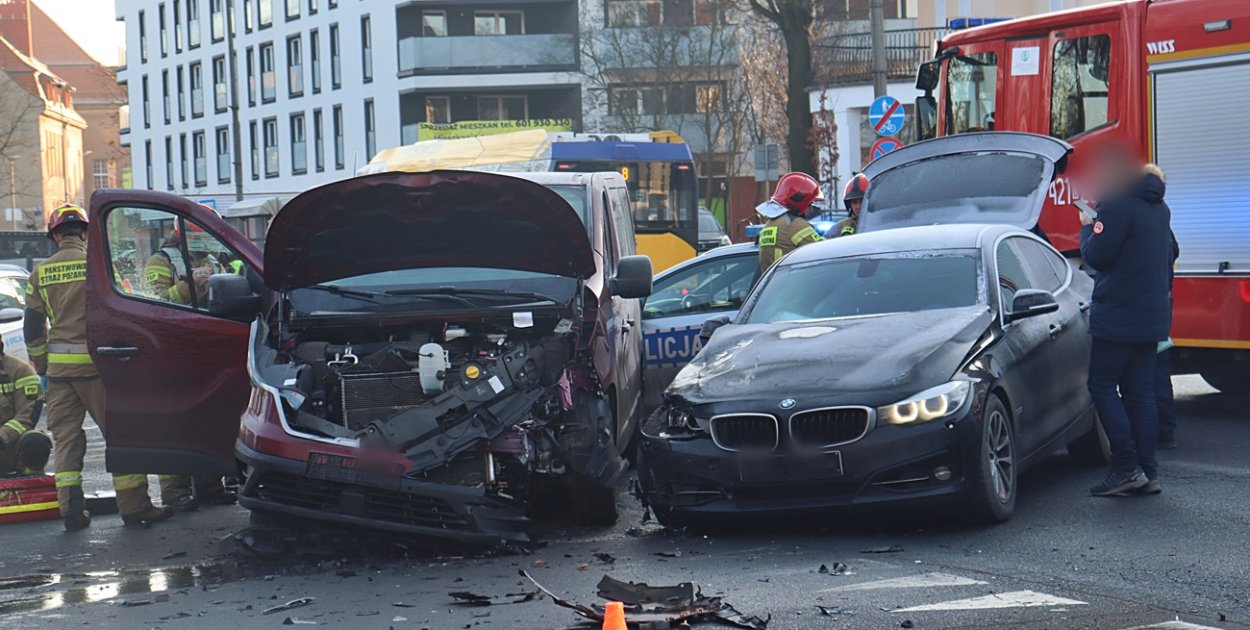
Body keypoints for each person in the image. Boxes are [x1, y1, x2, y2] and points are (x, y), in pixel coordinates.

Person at [25, 204, 174, 529]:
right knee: (120, 435)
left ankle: (71, 512)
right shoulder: (99, 266)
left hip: (60, 375)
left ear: (54, 236)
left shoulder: (41, 272)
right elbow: (125, 309)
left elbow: (33, 327)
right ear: (85, 232)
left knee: (66, 441)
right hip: (101, 367)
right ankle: (135, 507)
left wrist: (41, 368)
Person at [1079, 151, 1176, 498]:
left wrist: (1087, 229)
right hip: (1151, 316)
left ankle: (1125, 466)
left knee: (1102, 386)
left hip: (1118, 315)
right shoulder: (1158, 208)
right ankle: (1147, 471)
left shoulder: (1116, 207)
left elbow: (1097, 257)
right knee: (1141, 393)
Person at [0, 338, 50, 476]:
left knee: (36, 441)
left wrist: (2, 436)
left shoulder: (20, 371)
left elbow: (27, 416)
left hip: (10, 448)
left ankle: (31, 484)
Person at [758, 172, 825, 274]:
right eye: (809, 205)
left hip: (772, 284)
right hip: (791, 284)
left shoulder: (770, 223)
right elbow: (824, 252)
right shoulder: (794, 224)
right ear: (800, 201)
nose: (811, 210)